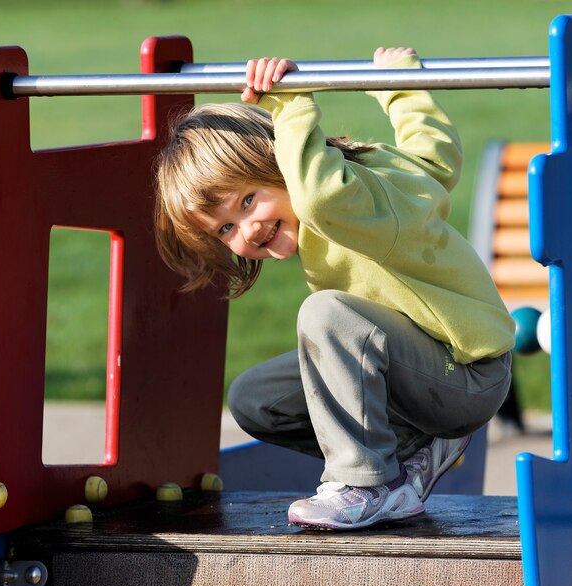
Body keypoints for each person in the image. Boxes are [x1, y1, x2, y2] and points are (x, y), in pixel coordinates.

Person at [155, 48, 514, 531]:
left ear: (281, 160)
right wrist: (398, 85)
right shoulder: (376, 180)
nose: (247, 230)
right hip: (424, 371)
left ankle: (363, 485)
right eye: (225, 230)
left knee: (324, 314)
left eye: (247, 200)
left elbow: (320, 197)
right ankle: (414, 456)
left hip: (467, 373)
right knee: (257, 399)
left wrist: (291, 104)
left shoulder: (344, 207)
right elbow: (435, 155)